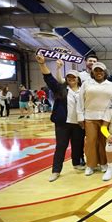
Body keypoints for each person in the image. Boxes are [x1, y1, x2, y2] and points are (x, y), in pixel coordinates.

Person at [35, 53, 85, 182]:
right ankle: (56, 170)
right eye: (69, 77)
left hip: (79, 124)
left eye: (74, 77)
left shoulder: (84, 91)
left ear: (78, 79)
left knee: (78, 145)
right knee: (61, 147)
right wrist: (42, 63)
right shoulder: (61, 89)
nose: (71, 78)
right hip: (63, 124)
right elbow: (49, 78)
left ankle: (77, 163)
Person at [77, 62, 112, 176]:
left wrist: (110, 113)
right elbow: (80, 100)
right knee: (90, 141)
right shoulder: (86, 84)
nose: (99, 73)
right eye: (96, 70)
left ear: (105, 72)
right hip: (90, 117)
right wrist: (80, 116)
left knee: (103, 141)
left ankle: (104, 163)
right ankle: (90, 165)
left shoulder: (111, 85)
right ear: (92, 72)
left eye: (101, 70)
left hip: (105, 118)